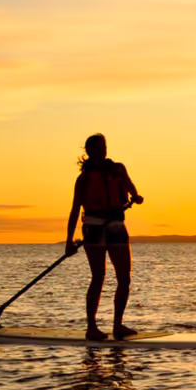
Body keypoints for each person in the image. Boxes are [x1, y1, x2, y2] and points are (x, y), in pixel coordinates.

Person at [65, 134, 144, 340]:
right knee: (98, 276)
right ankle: (92, 327)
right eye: (98, 148)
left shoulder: (118, 170)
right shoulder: (83, 179)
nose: (102, 151)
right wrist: (68, 242)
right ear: (89, 152)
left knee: (124, 278)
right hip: (94, 229)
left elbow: (130, 187)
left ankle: (118, 325)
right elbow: (75, 210)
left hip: (116, 226)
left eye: (104, 147)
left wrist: (136, 196)